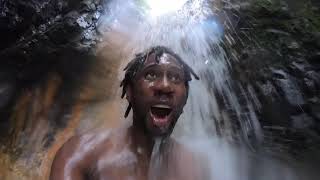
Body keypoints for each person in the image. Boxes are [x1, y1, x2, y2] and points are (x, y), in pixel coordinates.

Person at [50, 46, 208, 180]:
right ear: (129, 91)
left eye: (175, 77)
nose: (165, 86)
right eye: (151, 75)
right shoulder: (80, 155)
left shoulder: (195, 169)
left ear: (185, 98)